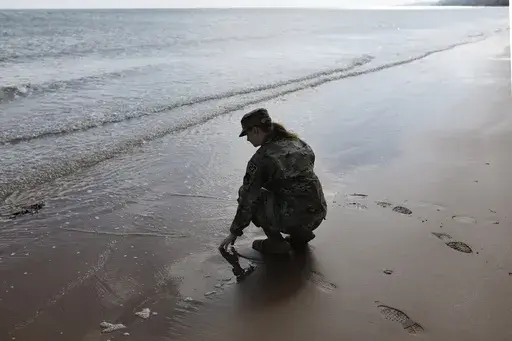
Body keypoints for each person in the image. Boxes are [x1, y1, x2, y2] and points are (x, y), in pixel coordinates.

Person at [219, 108, 327, 255]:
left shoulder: (262, 159)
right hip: (317, 213)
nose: (247, 139)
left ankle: (277, 243)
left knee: (247, 193)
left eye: (247, 134)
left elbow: (248, 199)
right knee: (290, 191)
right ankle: (300, 234)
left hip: (294, 217)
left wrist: (234, 232)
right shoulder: (298, 143)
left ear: (256, 130)